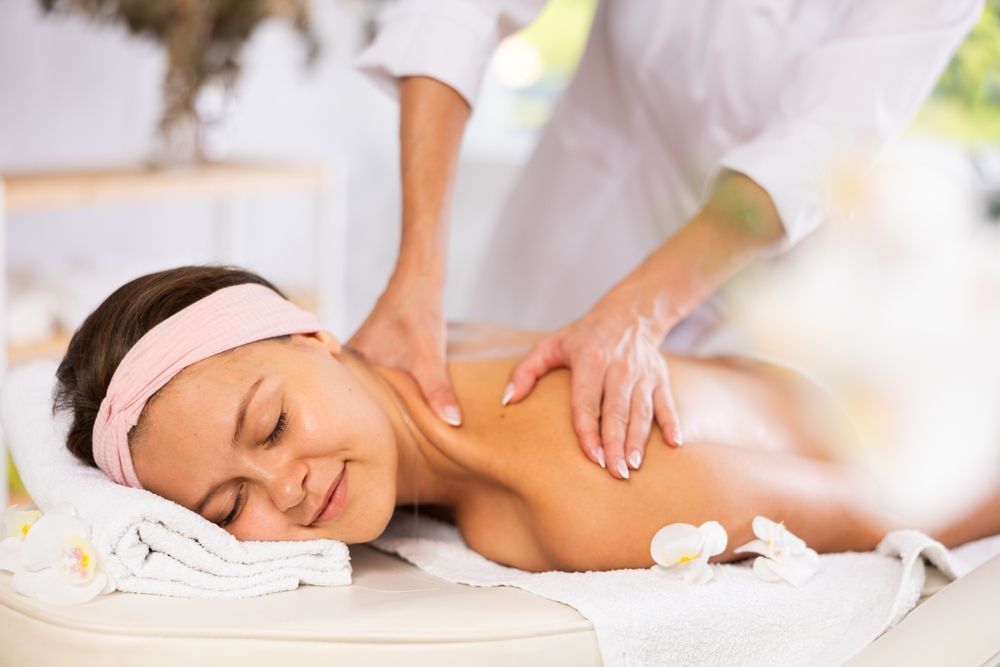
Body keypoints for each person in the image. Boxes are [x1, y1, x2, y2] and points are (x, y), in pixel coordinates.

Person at [350, 0, 985, 481]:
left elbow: (820, 147)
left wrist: (639, 312)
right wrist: (417, 272)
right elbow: (457, 11)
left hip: (757, 287)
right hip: (576, 218)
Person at [53, 266, 1000, 572]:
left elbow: (898, 503)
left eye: (269, 428)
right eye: (226, 509)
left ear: (314, 336)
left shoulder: (584, 485)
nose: (286, 487)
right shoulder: (439, 349)